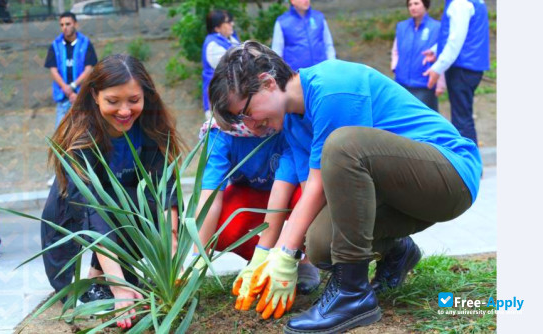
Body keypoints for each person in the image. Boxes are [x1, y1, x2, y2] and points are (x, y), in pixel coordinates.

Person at [208, 41, 481, 333]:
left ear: (268, 82)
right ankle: (398, 251)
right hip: (404, 196)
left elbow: (320, 180)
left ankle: (352, 295)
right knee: (320, 242)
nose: (249, 125)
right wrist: (266, 257)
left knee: (342, 145)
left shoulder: (332, 85)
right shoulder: (293, 125)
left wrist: (286, 255)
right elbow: (313, 196)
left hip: (449, 175)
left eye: (246, 112)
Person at [41, 54, 183, 330]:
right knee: (112, 204)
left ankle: (109, 275)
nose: (125, 111)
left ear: (146, 96)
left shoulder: (149, 129)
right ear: (95, 95)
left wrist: (172, 244)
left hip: (121, 216)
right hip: (74, 224)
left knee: (147, 204)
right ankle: (98, 279)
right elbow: (92, 210)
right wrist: (117, 286)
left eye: (133, 100)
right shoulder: (81, 138)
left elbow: (166, 189)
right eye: (113, 101)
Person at [194, 119, 321, 306]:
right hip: (250, 194)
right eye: (241, 114)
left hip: (291, 190)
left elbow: (283, 187)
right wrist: (198, 258)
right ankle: (259, 263)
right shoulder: (220, 134)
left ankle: (303, 259)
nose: (253, 121)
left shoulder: (282, 124)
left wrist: (274, 252)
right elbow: (209, 197)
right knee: (222, 229)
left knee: (311, 200)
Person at [422, 0, 490, 144]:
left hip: (462, 68)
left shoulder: (459, 4)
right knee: (464, 117)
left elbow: (455, 41)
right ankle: (471, 163)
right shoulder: (474, 2)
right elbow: (462, 35)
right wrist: (436, 51)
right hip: (471, 67)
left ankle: (469, 164)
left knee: (462, 122)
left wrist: (437, 68)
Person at [44, 12, 97, 129]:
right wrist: (66, 88)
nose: (65, 27)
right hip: (63, 98)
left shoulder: (85, 43)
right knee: (60, 136)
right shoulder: (55, 45)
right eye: (62, 25)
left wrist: (73, 86)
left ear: (75, 24)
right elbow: (53, 70)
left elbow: (89, 69)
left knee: (85, 133)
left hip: (81, 96)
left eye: (68, 24)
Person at [391, 0, 445, 111]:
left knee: (424, 121)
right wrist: (395, 67)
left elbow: (442, 56)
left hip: (424, 84)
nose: (412, 7)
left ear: (425, 5)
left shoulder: (437, 28)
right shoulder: (402, 27)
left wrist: (440, 83)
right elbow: (395, 50)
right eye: (410, 5)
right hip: (401, 83)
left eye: (416, 3)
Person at [271, 0, 336, 71]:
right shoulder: (282, 22)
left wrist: (332, 66)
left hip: (321, 72)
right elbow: (277, 52)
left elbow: (328, 45)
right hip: (296, 75)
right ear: (292, 1)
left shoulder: (319, 17)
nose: (306, 0)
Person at [202, 9, 240, 120]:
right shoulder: (212, 45)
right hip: (219, 101)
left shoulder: (229, 39)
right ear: (217, 28)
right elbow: (235, 67)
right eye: (228, 22)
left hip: (229, 99)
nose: (232, 24)